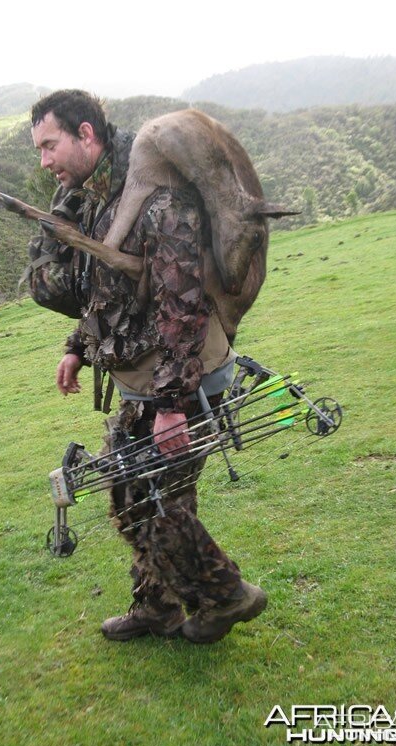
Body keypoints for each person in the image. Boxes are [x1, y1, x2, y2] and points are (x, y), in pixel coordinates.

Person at [29, 89, 267, 643]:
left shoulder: (159, 200)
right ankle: (156, 606)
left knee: (160, 507)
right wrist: (78, 347)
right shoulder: (99, 200)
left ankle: (227, 596)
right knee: (131, 497)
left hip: (183, 382)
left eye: (49, 145)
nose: (44, 161)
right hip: (142, 379)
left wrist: (172, 407)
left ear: (85, 134)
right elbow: (106, 288)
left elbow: (181, 305)